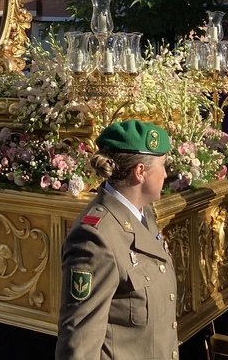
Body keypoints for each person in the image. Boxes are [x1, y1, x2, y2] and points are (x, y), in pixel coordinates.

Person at [55, 119, 177, 360]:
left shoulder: (143, 213)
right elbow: (80, 342)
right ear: (140, 171)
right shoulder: (95, 238)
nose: (166, 173)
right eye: (162, 165)